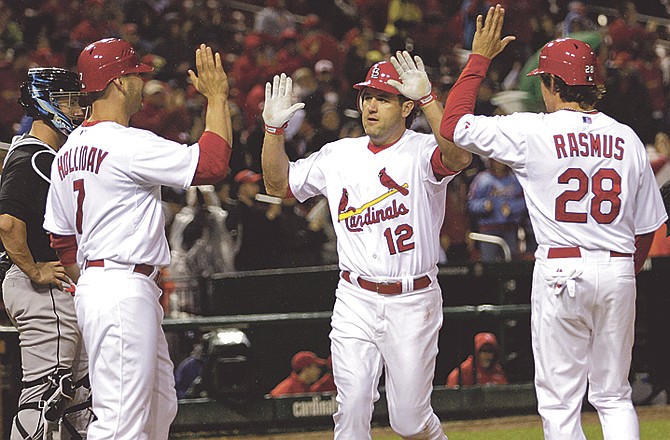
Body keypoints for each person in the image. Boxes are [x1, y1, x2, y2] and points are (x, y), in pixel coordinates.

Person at [440, 5, 668, 439]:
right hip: (618, 268)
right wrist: (621, 271)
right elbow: (645, 230)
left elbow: (452, 126)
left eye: (543, 81)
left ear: (551, 82)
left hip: (563, 268)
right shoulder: (627, 138)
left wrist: (479, 59)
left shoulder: (534, 131)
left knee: (561, 401)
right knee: (614, 395)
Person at [262, 50, 472, 439]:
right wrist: (273, 132)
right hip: (354, 296)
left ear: (406, 105)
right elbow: (278, 185)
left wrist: (430, 100)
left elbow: (458, 156)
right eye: (366, 97)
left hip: (413, 299)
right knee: (352, 406)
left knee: (409, 421)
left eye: (383, 98)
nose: (371, 105)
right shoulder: (339, 154)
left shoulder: (423, 150)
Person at [42, 38, 233, 440]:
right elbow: (213, 165)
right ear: (117, 83)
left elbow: (62, 243)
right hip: (120, 288)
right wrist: (216, 98)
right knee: (119, 424)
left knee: (159, 406)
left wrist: (97, 283)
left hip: (104, 285)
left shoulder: (66, 153)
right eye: (134, 75)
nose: (140, 83)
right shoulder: (125, 143)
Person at [0, 67, 92, 440]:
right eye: (70, 101)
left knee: (81, 395)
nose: (77, 110)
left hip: (53, 289)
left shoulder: (40, 153)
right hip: (39, 288)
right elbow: (7, 223)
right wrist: (34, 269)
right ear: (47, 102)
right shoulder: (33, 157)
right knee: (46, 393)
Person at [467, 158, 527, 261]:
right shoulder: (482, 179)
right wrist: (484, 205)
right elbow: (470, 203)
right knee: (489, 264)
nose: (499, 164)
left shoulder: (514, 178)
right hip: (488, 229)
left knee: (512, 262)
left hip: (510, 228)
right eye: (495, 160)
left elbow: (525, 201)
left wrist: (511, 207)